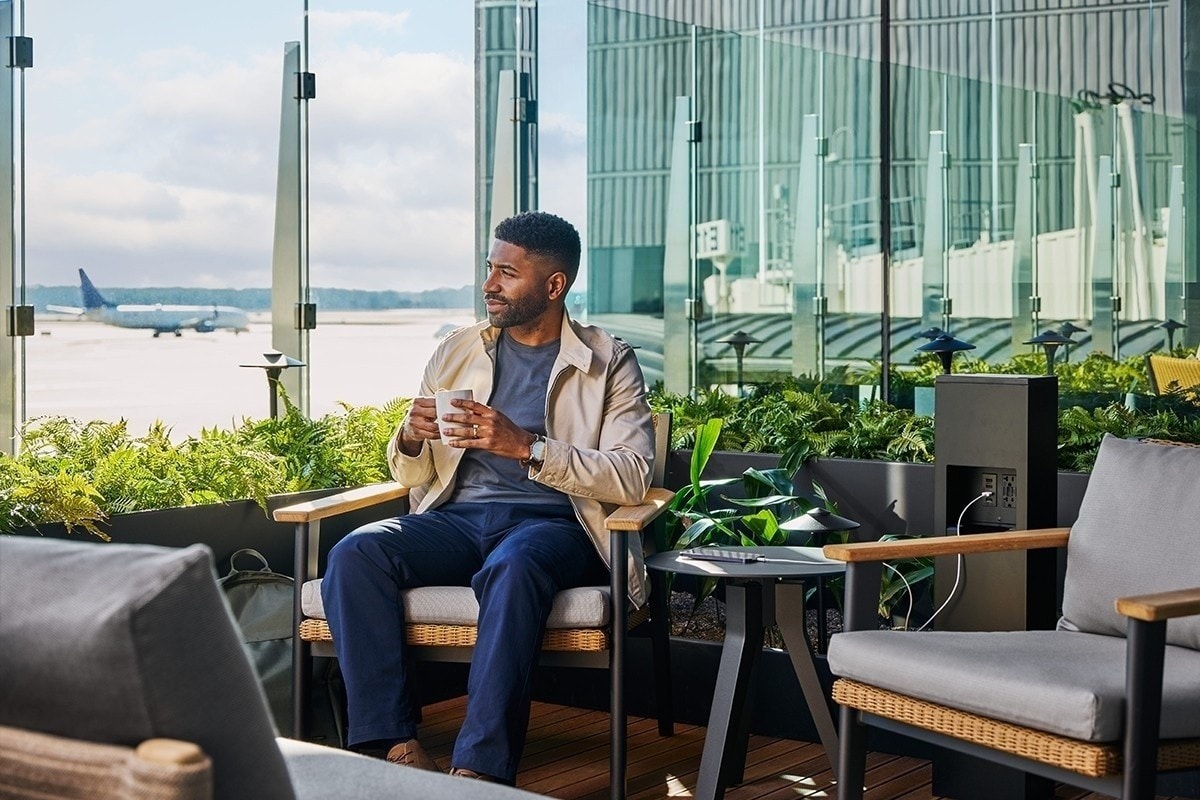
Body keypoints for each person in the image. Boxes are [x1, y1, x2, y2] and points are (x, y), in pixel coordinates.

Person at [320, 210, 655, 785]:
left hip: (553, 523)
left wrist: (527, 448)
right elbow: (411, 475)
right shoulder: (456, 351)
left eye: (507, 272)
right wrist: (409, 435)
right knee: (356, 552)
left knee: (515, 565)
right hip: (457, 519)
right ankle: (395, 747)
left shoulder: (608, 362)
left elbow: (631, 476)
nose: (489, 284)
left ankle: (479, 771)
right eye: (488, 268)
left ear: (554, 285)